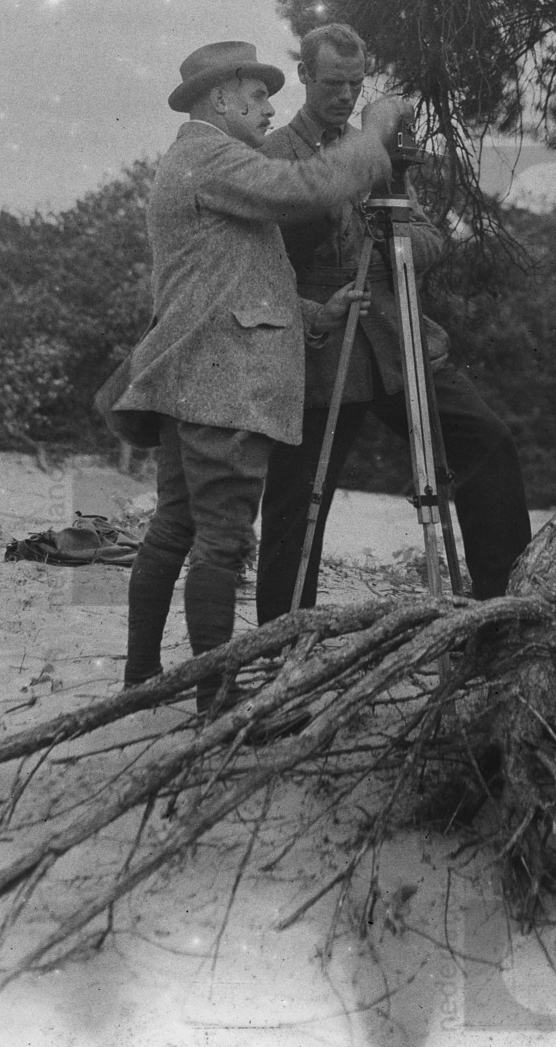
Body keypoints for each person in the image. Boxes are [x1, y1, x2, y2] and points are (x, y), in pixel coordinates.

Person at [98, 40, 407, 703]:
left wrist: (313, 314)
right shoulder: (211, 156)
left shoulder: (192, 160)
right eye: (259, 94)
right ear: (220, 98)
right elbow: (309, 188)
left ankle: (141, 680)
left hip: (188, 376)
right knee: (222, 539)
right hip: (225, 385)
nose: (271, 108)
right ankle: (216, 697)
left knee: (174, 527)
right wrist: (375, 133)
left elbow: (225, 280)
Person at [255, 23, 533, 621]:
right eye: (333, 83)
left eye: (356, 85)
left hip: (395, 337)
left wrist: (391, 236)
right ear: (304, 75)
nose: (345, 96)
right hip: (319, 346)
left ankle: (502, 607)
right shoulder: (275, 155)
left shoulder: (376, 150)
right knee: (297, 499)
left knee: (486, 441)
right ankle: (281, 637)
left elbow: (431, 239)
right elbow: (258, 269)